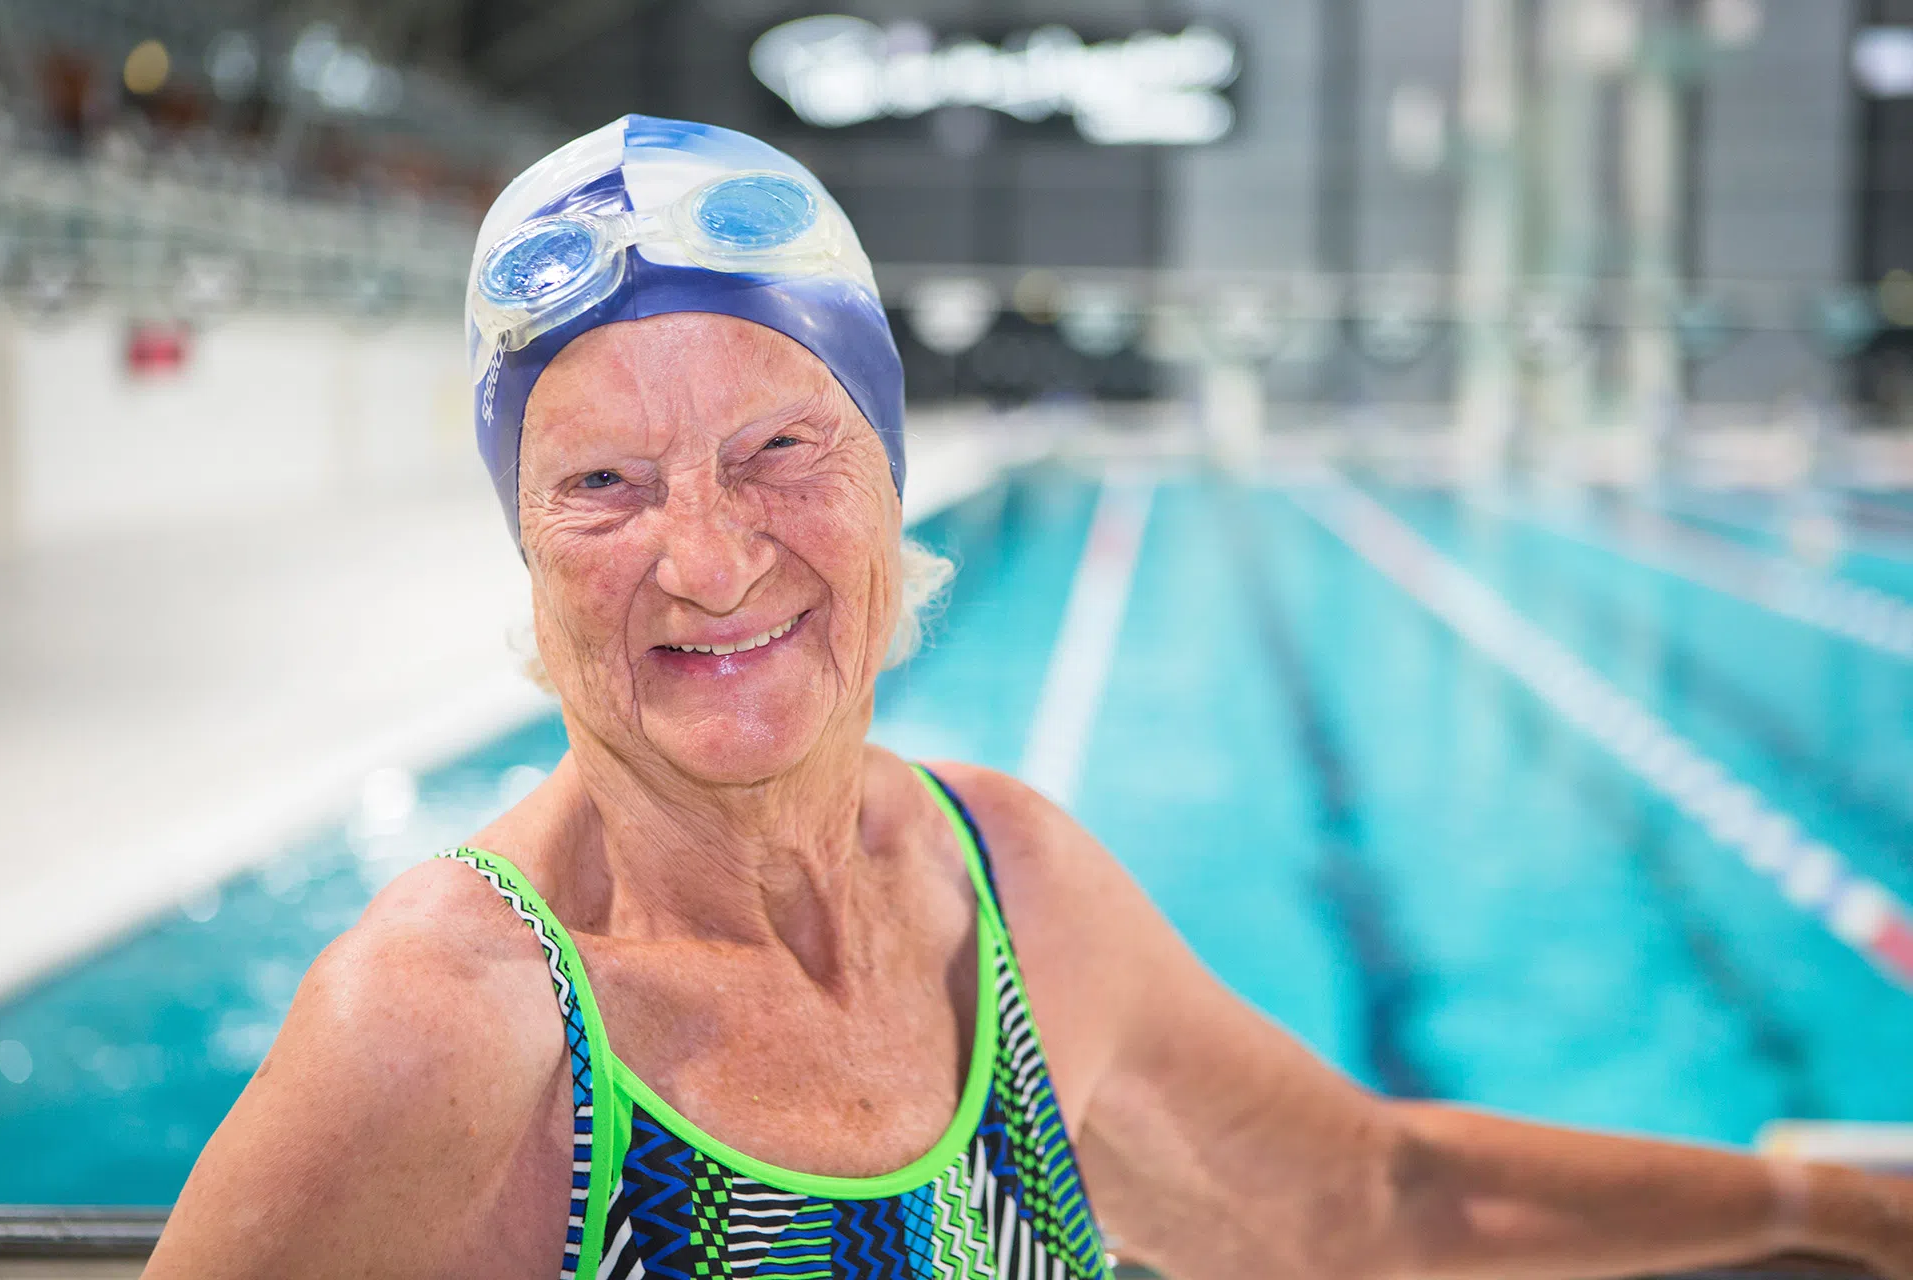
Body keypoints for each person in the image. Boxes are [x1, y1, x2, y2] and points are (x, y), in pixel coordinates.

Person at [145, 116, 1913, 1280]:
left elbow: (1372, 1196)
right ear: (526, 543)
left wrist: (1829, 1206)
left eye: (781, 450)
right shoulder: (447, 1020)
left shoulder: (1009, 883)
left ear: (888, 477)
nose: (710, 560)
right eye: (604, 486)